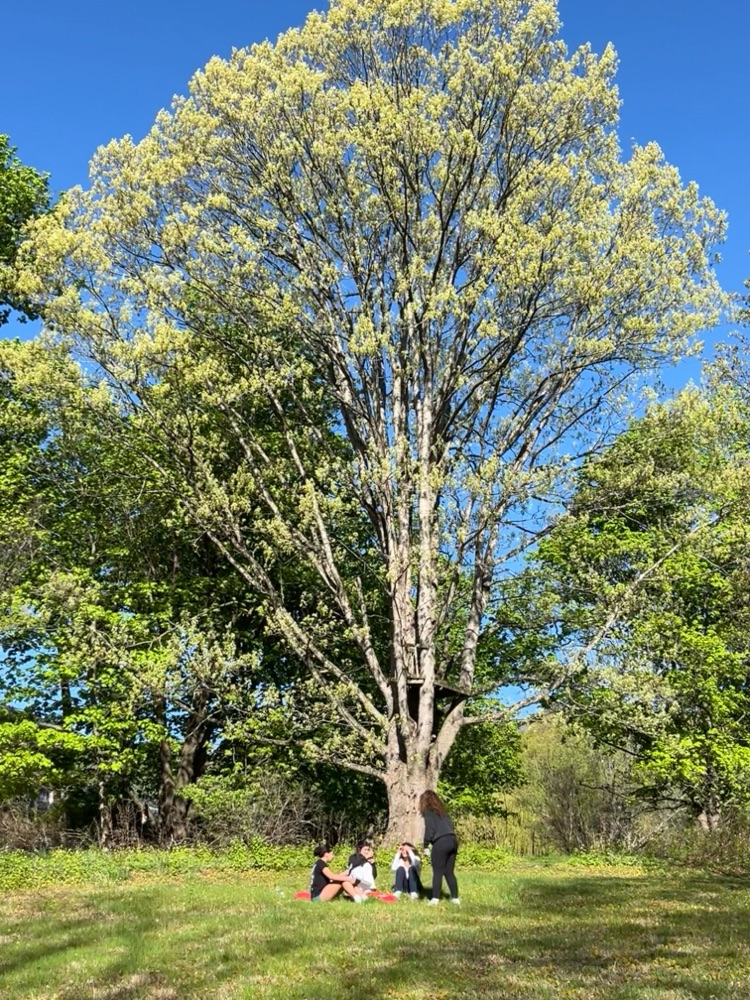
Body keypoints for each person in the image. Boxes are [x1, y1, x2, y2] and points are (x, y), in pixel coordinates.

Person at [419, 789, 459, 905]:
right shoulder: (444, 813)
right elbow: (451, 826)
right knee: (449, 871)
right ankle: (455, 898)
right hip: (452, 840)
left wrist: (426, 845)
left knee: (437, 871)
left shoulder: (428, 812)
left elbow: (429, 830)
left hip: (440, 841)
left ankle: (435, 898)